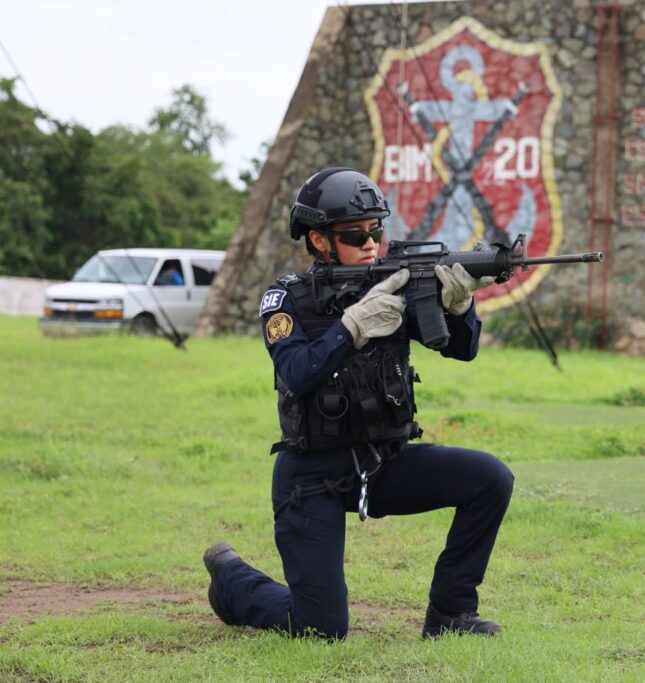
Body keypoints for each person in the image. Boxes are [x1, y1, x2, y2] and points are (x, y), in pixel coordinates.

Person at [202, 167, 514, 640]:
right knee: (320, 627)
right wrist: (351, 328)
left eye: (376, 231)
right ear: (318, 240)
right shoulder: (285, 299)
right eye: (355, 235)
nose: (371, 244)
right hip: (312, 476)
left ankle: (451, 612)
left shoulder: (395, 286)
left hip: (383, 463)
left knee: (489, 478)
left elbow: (461, 349)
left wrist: (459, 306)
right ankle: (231, 581)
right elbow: (297, 372)